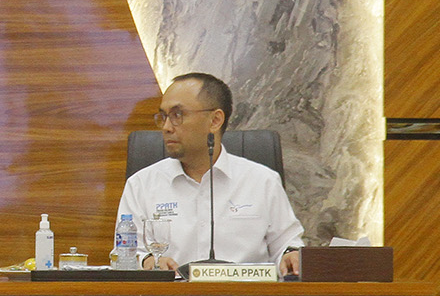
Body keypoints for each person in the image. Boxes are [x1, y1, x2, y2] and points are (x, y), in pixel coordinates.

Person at [117, 72, 304, 274]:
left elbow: (287, 246)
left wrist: (290, 255)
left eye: (177, 115)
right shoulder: (142, 185)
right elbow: (126, 253)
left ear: (215, 120)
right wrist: (148, 261)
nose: (166, 127)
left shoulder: (262, 181)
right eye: (163, 116)